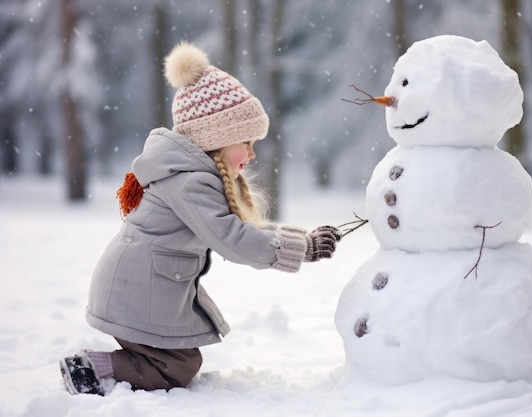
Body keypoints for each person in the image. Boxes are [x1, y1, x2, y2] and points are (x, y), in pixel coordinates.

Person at [59, 42, 341, 395]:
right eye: (247, 142)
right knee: (177, 366)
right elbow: (233, 239)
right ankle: (92, 369)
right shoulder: (191, 181)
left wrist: (303, 239)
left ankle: (99, 367)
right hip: (136, 291)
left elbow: (240, 229)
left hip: (140, 286)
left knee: (180, 359)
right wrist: (302, 248)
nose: (252, 154)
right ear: (217, 139)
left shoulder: (190, 173)